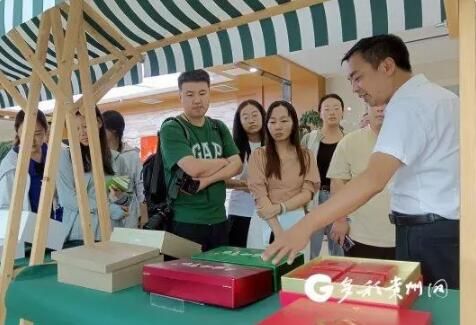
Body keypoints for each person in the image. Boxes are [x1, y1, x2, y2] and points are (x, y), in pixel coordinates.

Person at [263, 34, 460, 290]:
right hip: (445, 228)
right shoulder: (442, 98)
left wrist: (305, 227)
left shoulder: (408, 104)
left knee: (430, 309)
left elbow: (373, 179)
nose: (355, 88)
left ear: (387, 66)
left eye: (357, 77)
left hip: (427, 233)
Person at [160, 69, 242, 251]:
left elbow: (237, 165)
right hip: (186, 221)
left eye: (202, 93)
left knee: (219, 274)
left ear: (209, 94)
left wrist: (207, 180)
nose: (197, 100)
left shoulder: (218, 127)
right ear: (180, 96)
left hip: (220, 219)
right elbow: (193, 168)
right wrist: (222, 162)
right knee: (188, 277)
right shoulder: (172, 128)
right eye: (189, 94)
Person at [247, 101, 319, 260]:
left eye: (284, 121)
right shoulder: (259, 155)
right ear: (267, 125)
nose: (278, 126)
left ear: (294, 123)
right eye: (272, 122)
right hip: (266, 219)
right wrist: (278, 231)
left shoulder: (306, 155)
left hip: (296, 219)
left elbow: (308, 192)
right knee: (263, 271)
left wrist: (280, 208)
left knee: (294, 269)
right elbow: (259, 194)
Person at [328, 105, 395, 259]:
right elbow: (338, 184)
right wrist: (339, 219)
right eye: (376, 104)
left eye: (387, 103)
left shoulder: (412, 140)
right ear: (367, 108)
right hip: (360, 234)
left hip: (404, 235)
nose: (381, 109)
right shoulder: (349, 142)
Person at [57, 107, 129, 244]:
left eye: (85, 126)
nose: (82, 133)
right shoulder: (66, 157)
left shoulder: (117, 159)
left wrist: (120, 198)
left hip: (111, 232)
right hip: (80, 233)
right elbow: (67, 198)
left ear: (99, 122)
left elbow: (124, 199)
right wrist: (108, 209)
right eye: (76, 129)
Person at [301, 94, 345, 258]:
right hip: (314, 198)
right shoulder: (309, 139)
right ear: (320, 113)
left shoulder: (348, 140)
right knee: (312, 249)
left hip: (339, 199)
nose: (332, 112)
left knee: (339, 248)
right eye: (327, 109)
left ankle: (340, 281)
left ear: (342, 112)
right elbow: (300, 169)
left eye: (336, 108)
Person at [226, 100, 266, 247]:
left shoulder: (274, 145)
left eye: (255, 115)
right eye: (246, 117)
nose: (251, 120)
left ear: (263, 117)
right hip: (240, 209)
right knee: (240, 256)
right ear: (239, 121)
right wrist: (247, 185)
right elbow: (223, 180)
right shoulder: (232, 146)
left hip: (268, 209)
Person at [103, 110, 148, 228]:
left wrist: (144, 215)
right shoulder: (98, 155)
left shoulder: (130, 155)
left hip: (128, 214)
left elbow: (140, 186)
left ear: (114, 130)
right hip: (106, 215)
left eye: (103, 127)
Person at [0, 110, 48, 213]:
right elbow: (4, 208)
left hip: (58, 223)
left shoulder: (54, 153)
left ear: (45, 131)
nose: (32, 140)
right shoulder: (10, 166)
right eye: (26, 134)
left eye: (37, 134)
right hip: (27, 225)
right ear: (17, 132)